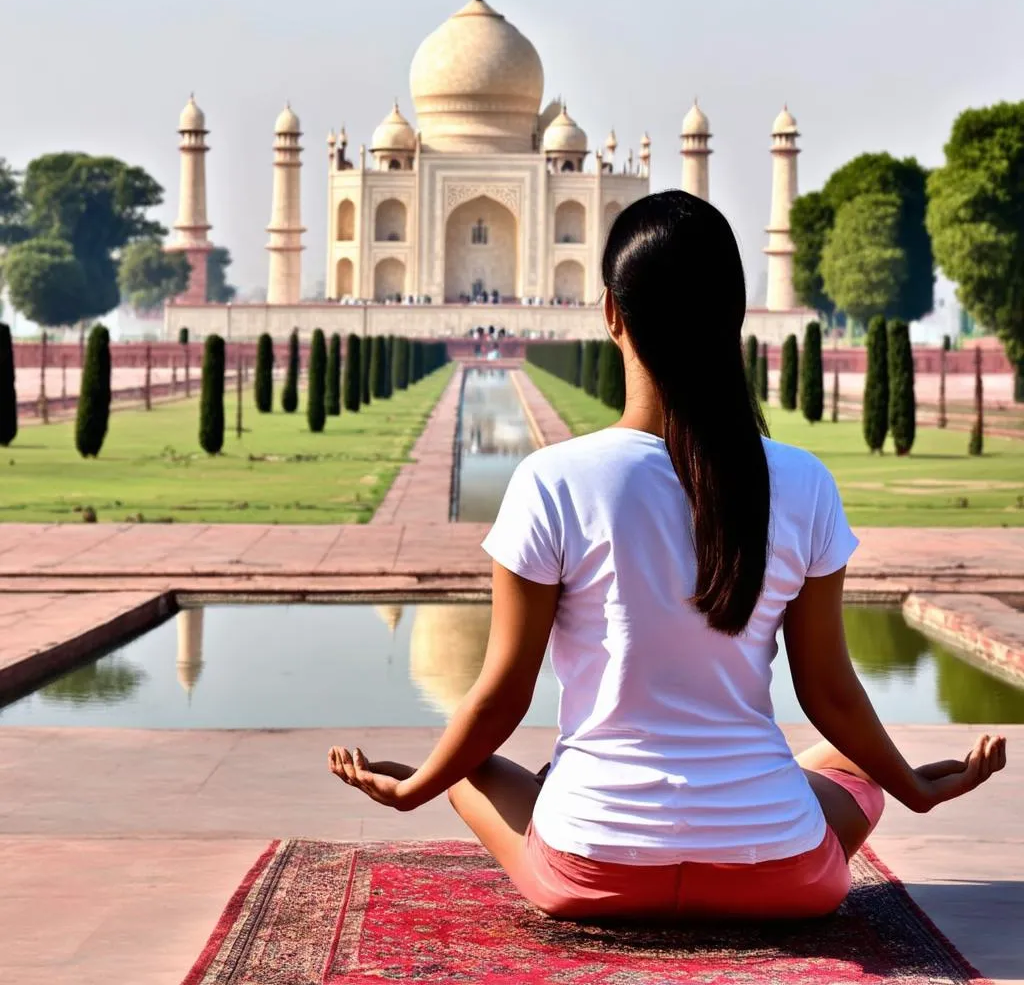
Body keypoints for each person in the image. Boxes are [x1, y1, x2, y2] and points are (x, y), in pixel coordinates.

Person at [329, 190, 1006, 921]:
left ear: (612, 314)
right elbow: (831, 694)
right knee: (851, 771)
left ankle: (590, 792)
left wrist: (416, 787)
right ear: (734, 318)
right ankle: (759, 803)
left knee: (466, 770)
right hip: (781, 880)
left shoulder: (552, 480)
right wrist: (913, 787)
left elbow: (500, 699)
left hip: (594, 874)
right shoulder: (803, 481)